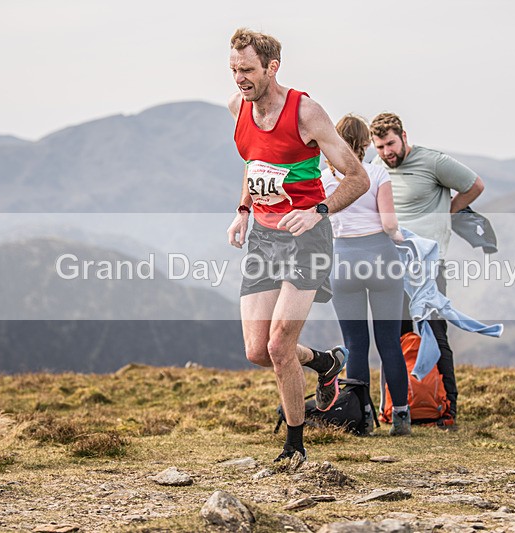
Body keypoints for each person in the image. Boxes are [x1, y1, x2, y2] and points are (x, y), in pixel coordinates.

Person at [226, 28, 370, 462]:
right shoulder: (237, 108)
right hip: (264, 238)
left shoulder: (306, 112)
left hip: (308, 237)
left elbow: (358, 178)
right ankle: (324, 363)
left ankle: (295, 446)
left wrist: (319, 211)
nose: (239, 79)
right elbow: (255, 166)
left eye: (248, 69)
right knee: (256, 351)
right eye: (234, 69)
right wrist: (243, 210)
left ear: (273, 67)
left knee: (278, 345)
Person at [369, 112, 485, 421]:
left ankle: (447, 410)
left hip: (427, 269)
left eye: (390, 144)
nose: (386, 153)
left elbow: (474, 185)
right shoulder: (378, 169)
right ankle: (397, 409)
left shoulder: (433, 162)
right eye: (379, 147)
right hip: (391, 267)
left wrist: (447, 212)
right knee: (393, 338)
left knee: (435, 334)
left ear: (404, 136)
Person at [320, 114, 411, 436]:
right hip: (382, 259)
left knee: (355, 345)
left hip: (343, 262)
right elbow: (389, 224)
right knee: (390, 344)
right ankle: (401, 418)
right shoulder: (376, 173)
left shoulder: (323, 179)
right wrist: (405, 241)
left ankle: (362, 419)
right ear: (364, 144)